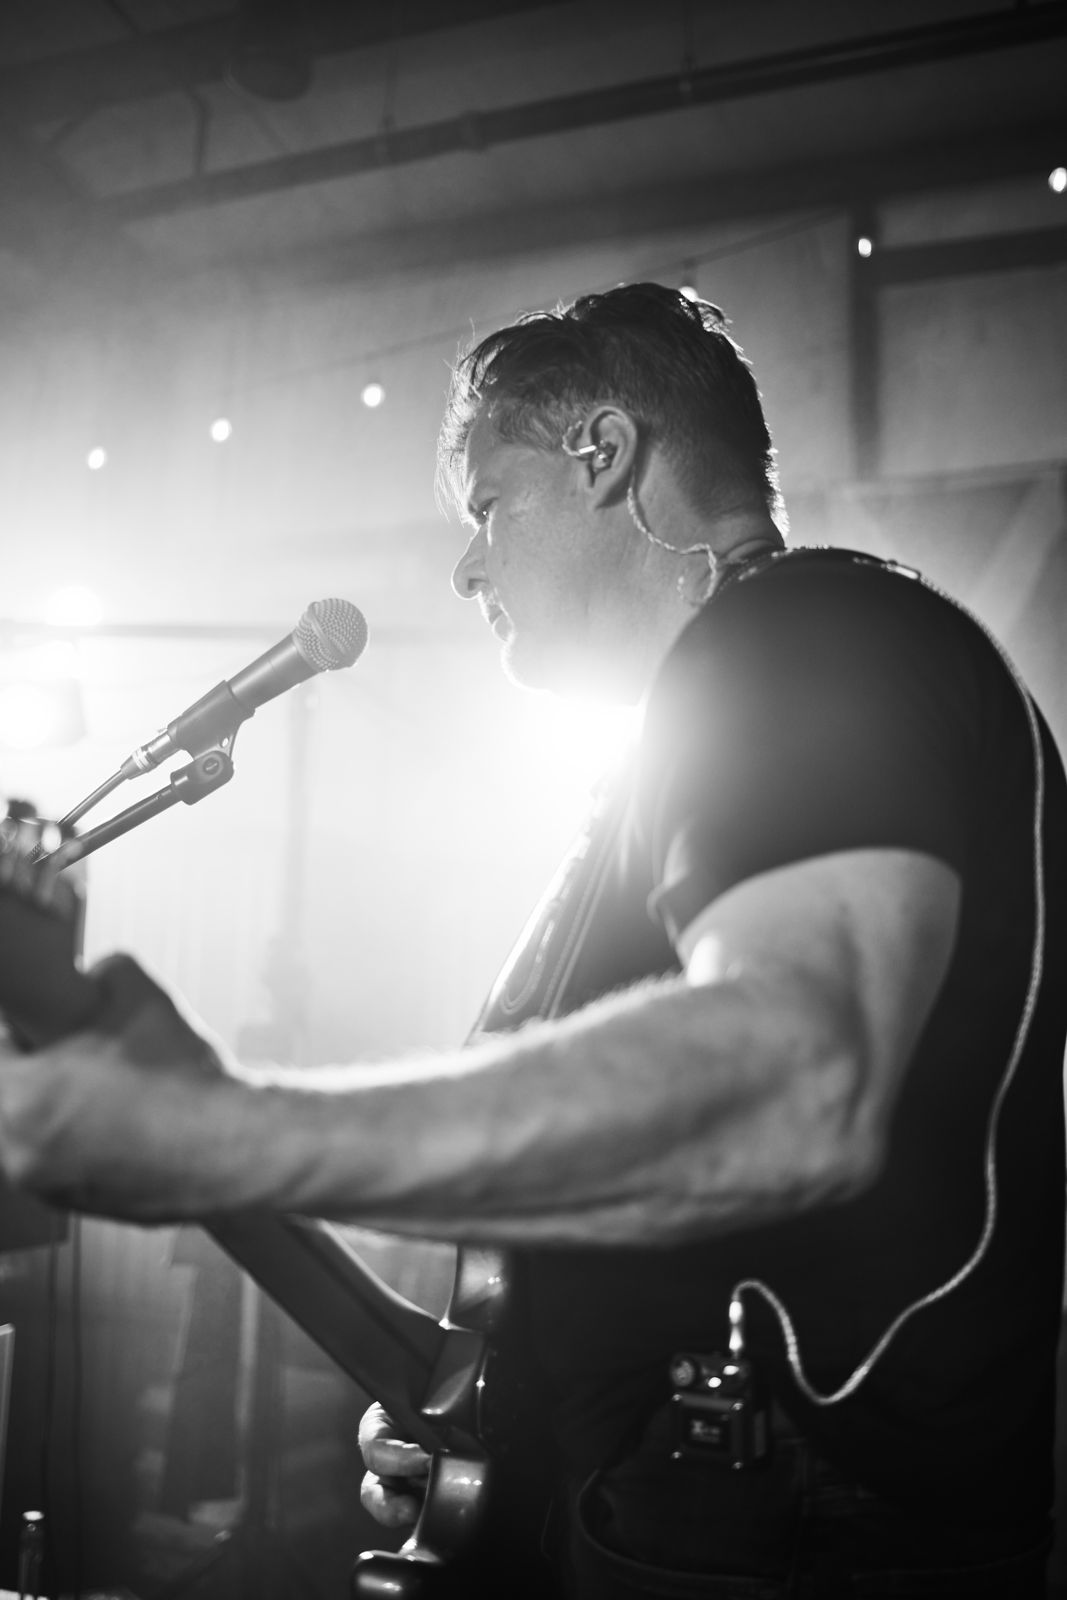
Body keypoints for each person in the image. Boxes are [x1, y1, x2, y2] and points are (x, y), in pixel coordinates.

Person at [0, 283, 1064, 1599]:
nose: (466, 566)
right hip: (681, 1510)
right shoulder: (675, 755)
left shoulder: (807, 633)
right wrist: (477, 1412)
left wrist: (222, 1131)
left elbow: (798, 1086)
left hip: (801, 1526)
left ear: (602, 453)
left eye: (490, 507)